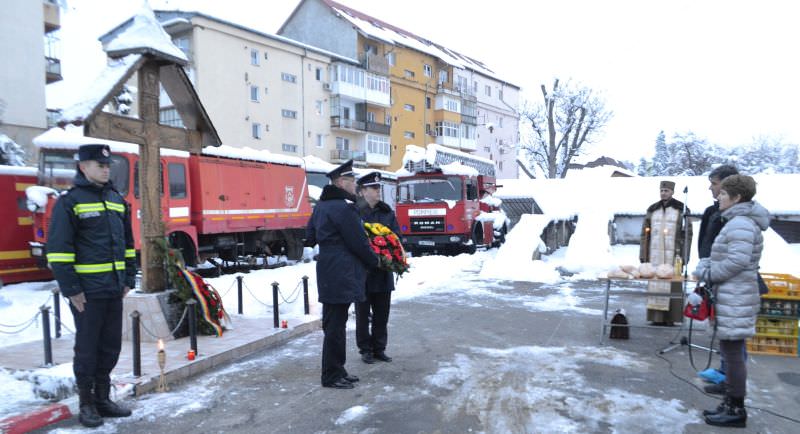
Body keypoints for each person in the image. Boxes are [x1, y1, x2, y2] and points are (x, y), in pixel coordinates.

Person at [46, 144, 136, 428]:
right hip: (87, 293)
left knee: (110, 348)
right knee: (87, 350)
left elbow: (129, 246)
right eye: (99, 165)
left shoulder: (115, 199)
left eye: (107, 165)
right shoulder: (69, 202)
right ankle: (86, 404)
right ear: (83, 167)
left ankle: (102, 400)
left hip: (113, 289)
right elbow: (58, 252)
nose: (106, 169)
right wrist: (72, 290)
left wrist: (128, 279)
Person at [693, 175, 769, 428]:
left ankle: (736, 409)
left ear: (737, 197)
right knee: (729, 350)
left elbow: (736, 262)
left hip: (736, 296)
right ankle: (730, 402)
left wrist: (708, 272)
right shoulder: (738, 222)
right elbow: (729, 257)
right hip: (732, 295)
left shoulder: (741, 225)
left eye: (723, 194)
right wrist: (707, 264)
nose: (718, 197)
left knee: (733, 353)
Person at [305, 160, 379, 389]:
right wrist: (374, 260)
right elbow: (358, 242)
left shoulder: (322, 207)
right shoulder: (343, 208)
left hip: (328, 269)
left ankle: (338, 369)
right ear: (340, 182)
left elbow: (309, 237)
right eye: (352, 180)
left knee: (334, 323)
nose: (355, 184)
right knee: (336, 325)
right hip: (342, 271)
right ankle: (331, 375)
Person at [697, 164, 739, 395]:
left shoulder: (737, 218)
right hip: (715, 278)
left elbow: (733, 258)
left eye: (715, 184)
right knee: (723, 333)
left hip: (729, 283)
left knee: (733, 338)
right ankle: (725, 372)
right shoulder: (714, 211)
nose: (711, 188)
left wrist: (710, 272)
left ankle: (732, 386)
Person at [355, 172, 401, 364]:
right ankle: (365, 349)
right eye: (374, 188)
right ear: (363, 191)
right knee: (363, 314)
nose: (378, 191)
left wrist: (391, 253)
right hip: (362, 273)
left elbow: (397, 237)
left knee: (382, 314)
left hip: (383, 273)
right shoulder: (355, 212)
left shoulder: (387, 212)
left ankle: (379, 348)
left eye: (378, 188)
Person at [639, 180, 692, 325]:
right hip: (654, 254)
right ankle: (656, 318)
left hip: (674, 254)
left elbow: (688, 234)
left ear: (672, 192)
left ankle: (671, 318)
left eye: (667, 190)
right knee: (655, 283)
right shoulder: (652, 209)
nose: (664, 193)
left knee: (673, 284)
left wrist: (685, 255)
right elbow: (645, 233)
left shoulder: (681, 209)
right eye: (662, 190)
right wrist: (643, 254)